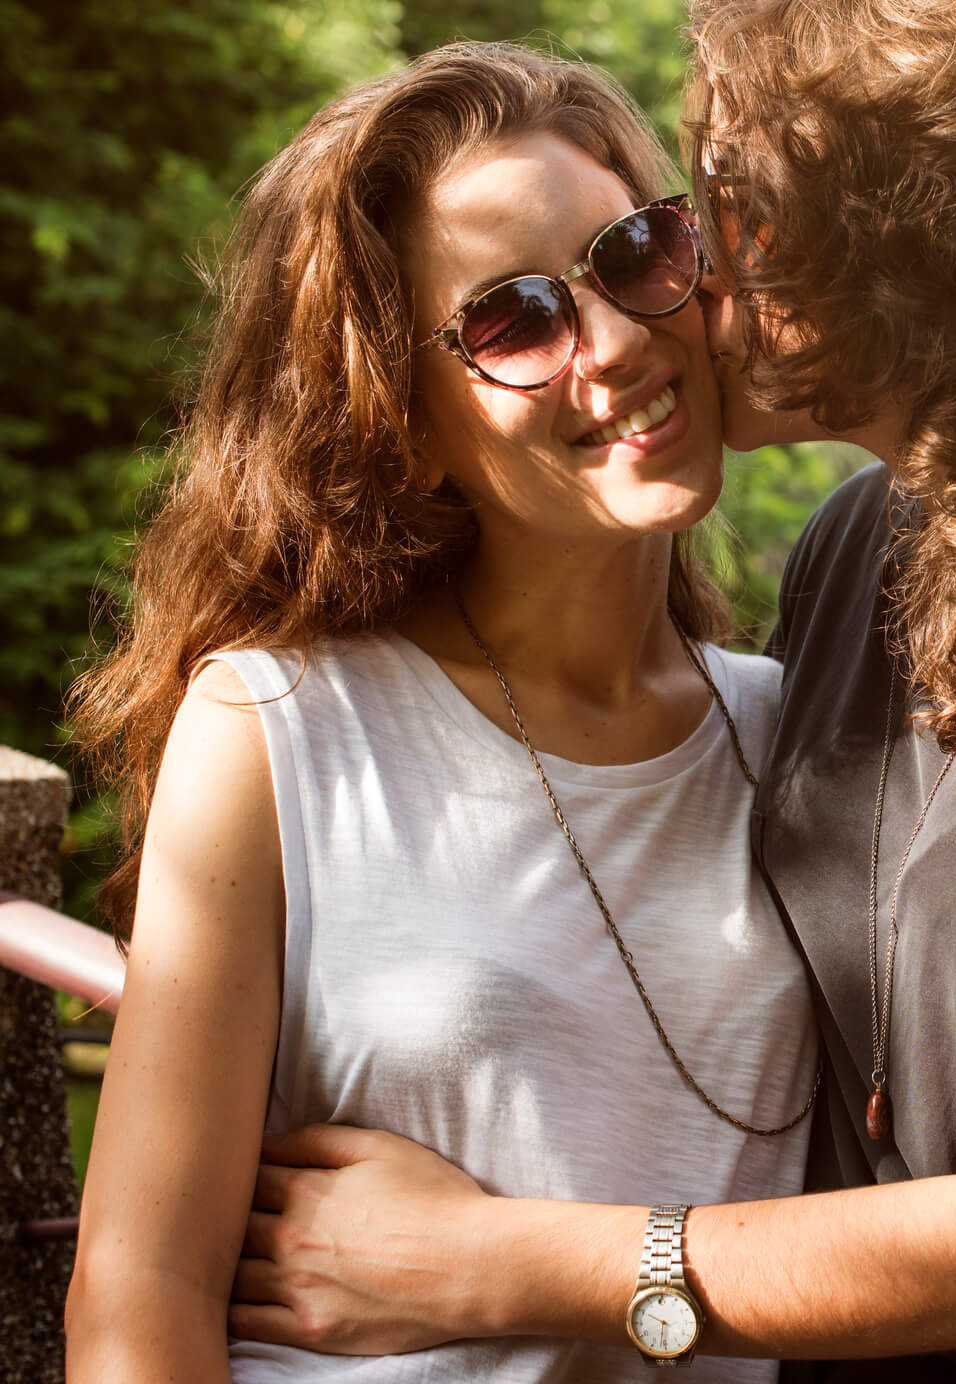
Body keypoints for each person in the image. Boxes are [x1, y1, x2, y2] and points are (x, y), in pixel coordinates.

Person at [230, 1, 956, 1379]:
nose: (696, 274)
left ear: (917, 248)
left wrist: (483, 1262)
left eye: (733, 214)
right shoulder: (866, 547)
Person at [63, 43, 818, 1383]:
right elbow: (140, 1298)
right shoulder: (282, 726)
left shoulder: (803, 736)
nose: (617, 340)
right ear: (400, 417)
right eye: (516, 319)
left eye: (637, 251)